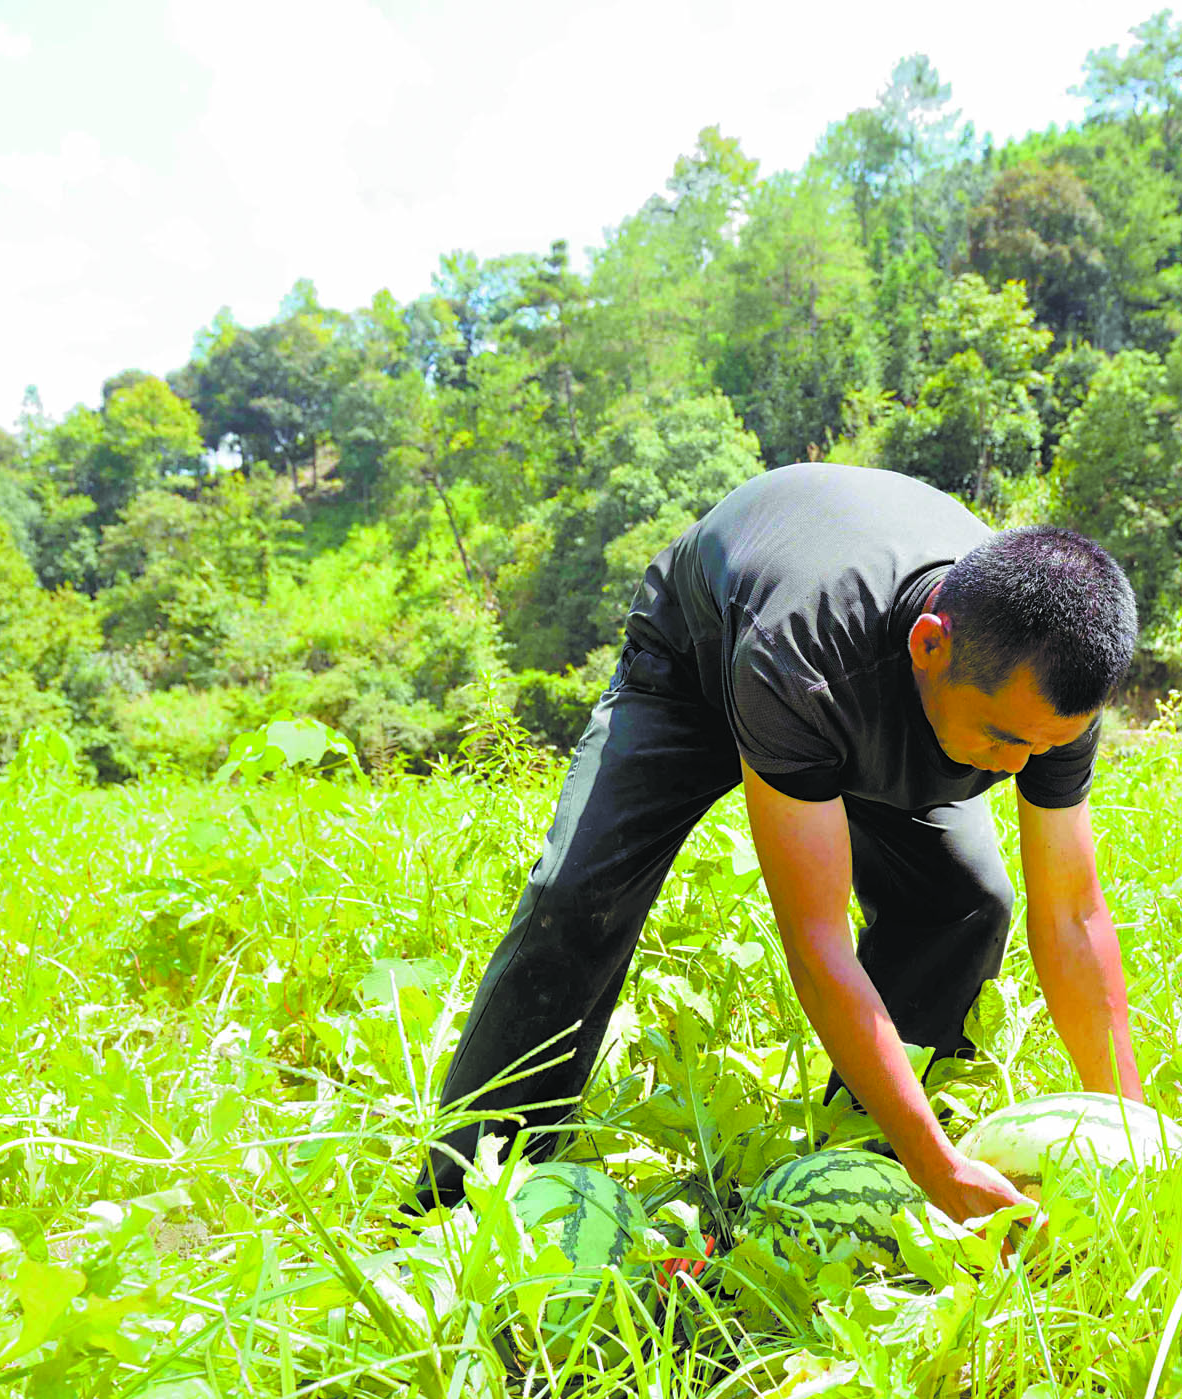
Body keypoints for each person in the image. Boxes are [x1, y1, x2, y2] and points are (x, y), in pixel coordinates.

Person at [420, 463, 1141, 1225]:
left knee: (965, 902)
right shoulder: (802, 654)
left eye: (1044, 745)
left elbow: (1072, 917)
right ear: (931, 644)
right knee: (578, 898)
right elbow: (816, 940)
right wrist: (943, 1166)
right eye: (1005, 739)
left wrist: (1135, 1136)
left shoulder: (1045, 686)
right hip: (699, 662)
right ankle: (469, 1191)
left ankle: (867, 1159)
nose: (1022, 767)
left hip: (877, 688)